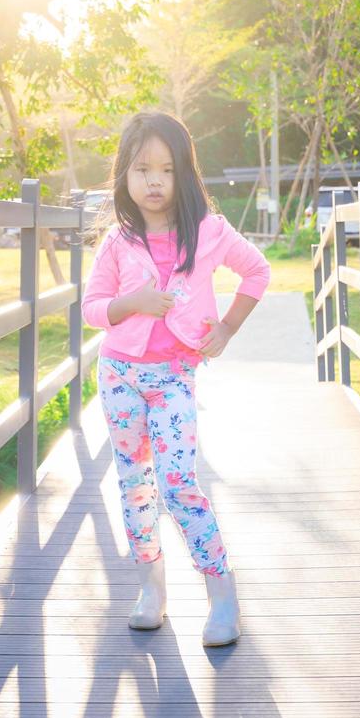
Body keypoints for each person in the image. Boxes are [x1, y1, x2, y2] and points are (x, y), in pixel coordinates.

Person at [80, 111, 271, 648]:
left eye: (166, 169)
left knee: (178, 481)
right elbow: (92, 308)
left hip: (172, 379)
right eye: (142, 169)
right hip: (118, 374)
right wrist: (131, 304)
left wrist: (228, 327)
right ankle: (151, 590)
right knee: (135, 483)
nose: (155, 181)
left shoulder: (209, 231)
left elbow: (257, 270)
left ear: (184, 173)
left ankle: (221, 595)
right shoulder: (117, 242)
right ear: (125, 174)